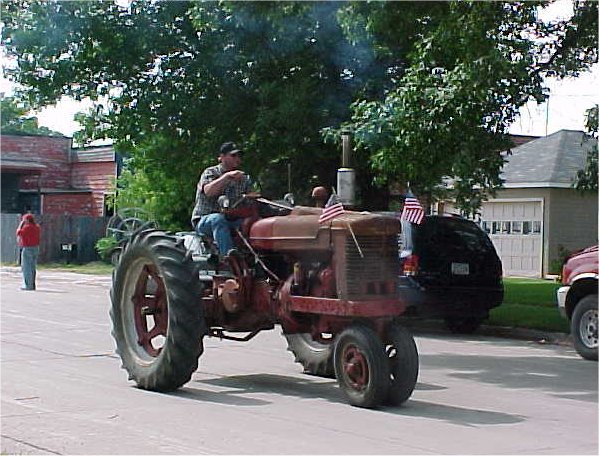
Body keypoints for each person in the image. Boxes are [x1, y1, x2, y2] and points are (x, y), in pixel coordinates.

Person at [191, 141, 251, 257]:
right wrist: (227, 177)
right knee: (217, 219)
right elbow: (209, 191)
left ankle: (255, 260)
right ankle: (229, 257)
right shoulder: (210, 172)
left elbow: (250, 201)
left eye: (239, 156)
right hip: (205, 220)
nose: (237, 159)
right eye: (233, 155)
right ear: (221, 157)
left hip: (232, 220)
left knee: (254, 224)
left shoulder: (244, 179)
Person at [16, 213, 41, 291]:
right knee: (32, 267)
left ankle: (28, 285)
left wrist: (21, 224)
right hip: (36, 248)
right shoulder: (37, 227)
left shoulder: (27, 227)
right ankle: (32, 284)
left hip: (27, 248)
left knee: (26, 267)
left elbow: (18, 232)